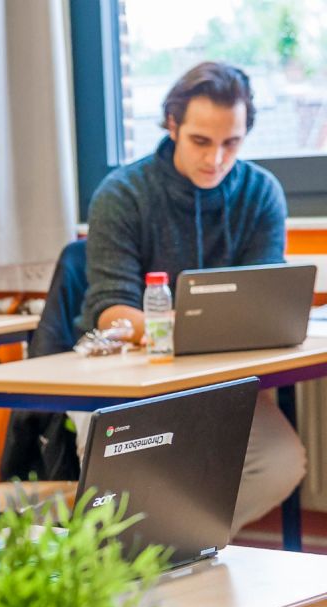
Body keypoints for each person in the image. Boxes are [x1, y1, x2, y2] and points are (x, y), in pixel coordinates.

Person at [79, 60, 305, 529]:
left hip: (222, 386)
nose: (216, 159)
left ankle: (173, 545)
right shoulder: (122, 193)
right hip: (128, 389)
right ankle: (150, 555)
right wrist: (181, 328)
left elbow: (262, 304)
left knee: (281, 463)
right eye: (201, 141)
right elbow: (110, 311)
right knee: (116, 483)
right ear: (172, 124)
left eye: (232, 143)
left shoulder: (261, 192)